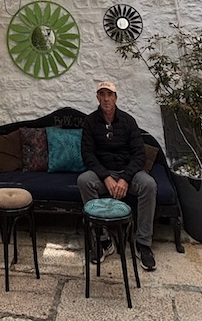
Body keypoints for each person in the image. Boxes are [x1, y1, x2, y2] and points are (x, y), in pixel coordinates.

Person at [79, 80, 157, 271]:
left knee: (149, 185)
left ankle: (143, 243)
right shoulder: (90, 122)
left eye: (110, 95)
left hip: (127, 173)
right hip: (103, 174)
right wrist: (106, 177)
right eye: (102, 95)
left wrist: (125, 179)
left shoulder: (128, 121)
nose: (106, 99)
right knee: (84, 181)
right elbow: (87, 154)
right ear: (97, 98)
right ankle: (103, 240)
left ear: (116, 98)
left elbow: (139, 154)